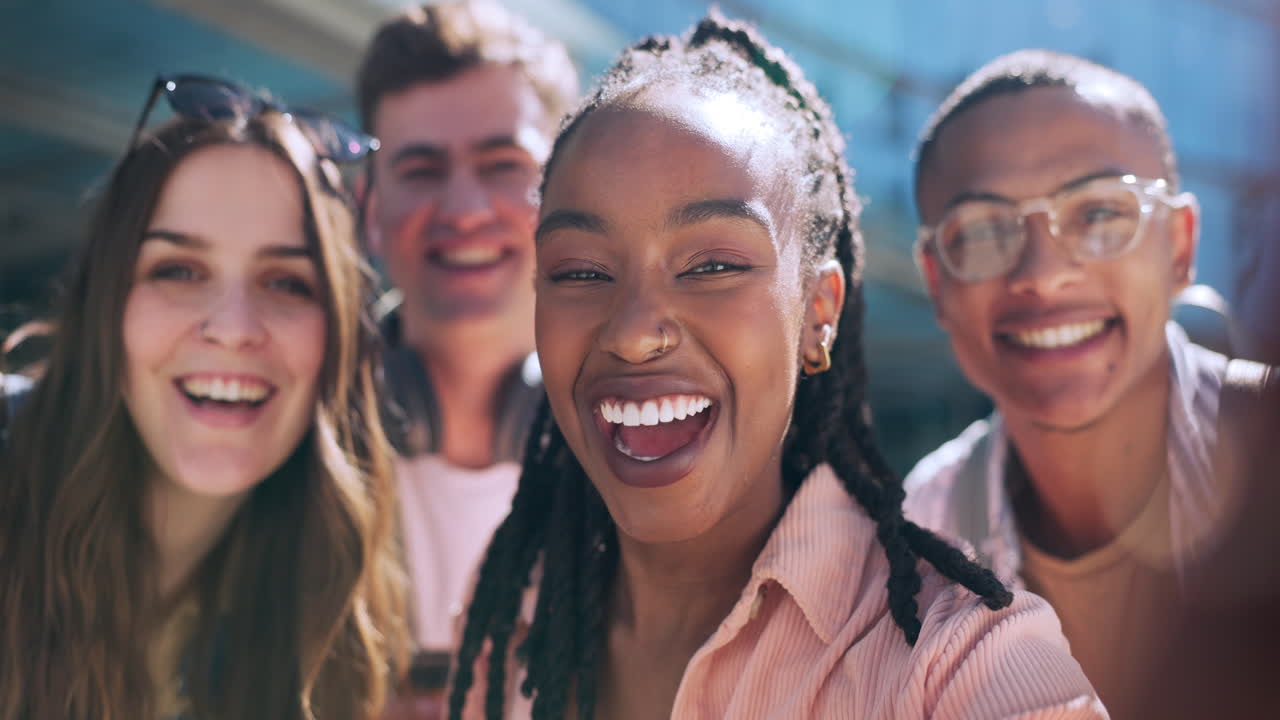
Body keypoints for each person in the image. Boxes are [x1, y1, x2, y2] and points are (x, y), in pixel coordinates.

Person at [449, 16, 1105, 720]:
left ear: (818, 313)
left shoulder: (960, 663)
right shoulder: (510, 624)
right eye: (579, 271)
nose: (636, 332)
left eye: (713, 266)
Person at [0, 75, 405, 720]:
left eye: (287, 282)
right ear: (106, 305)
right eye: (179, 270)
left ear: (339, 341)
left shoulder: (330, 608)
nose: (235, 328)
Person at [904, 49, 1279, 717]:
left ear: (1181, 247)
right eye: (987, 229)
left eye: (1101, 214)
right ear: (937, 281)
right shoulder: (916, 548)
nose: (1044, 273)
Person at [353, 0, 578, 680]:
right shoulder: (292, 438)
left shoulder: (637, 453)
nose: (465, 210)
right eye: (421, 169)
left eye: (502, 163)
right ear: (369, 208)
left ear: (567, 193)